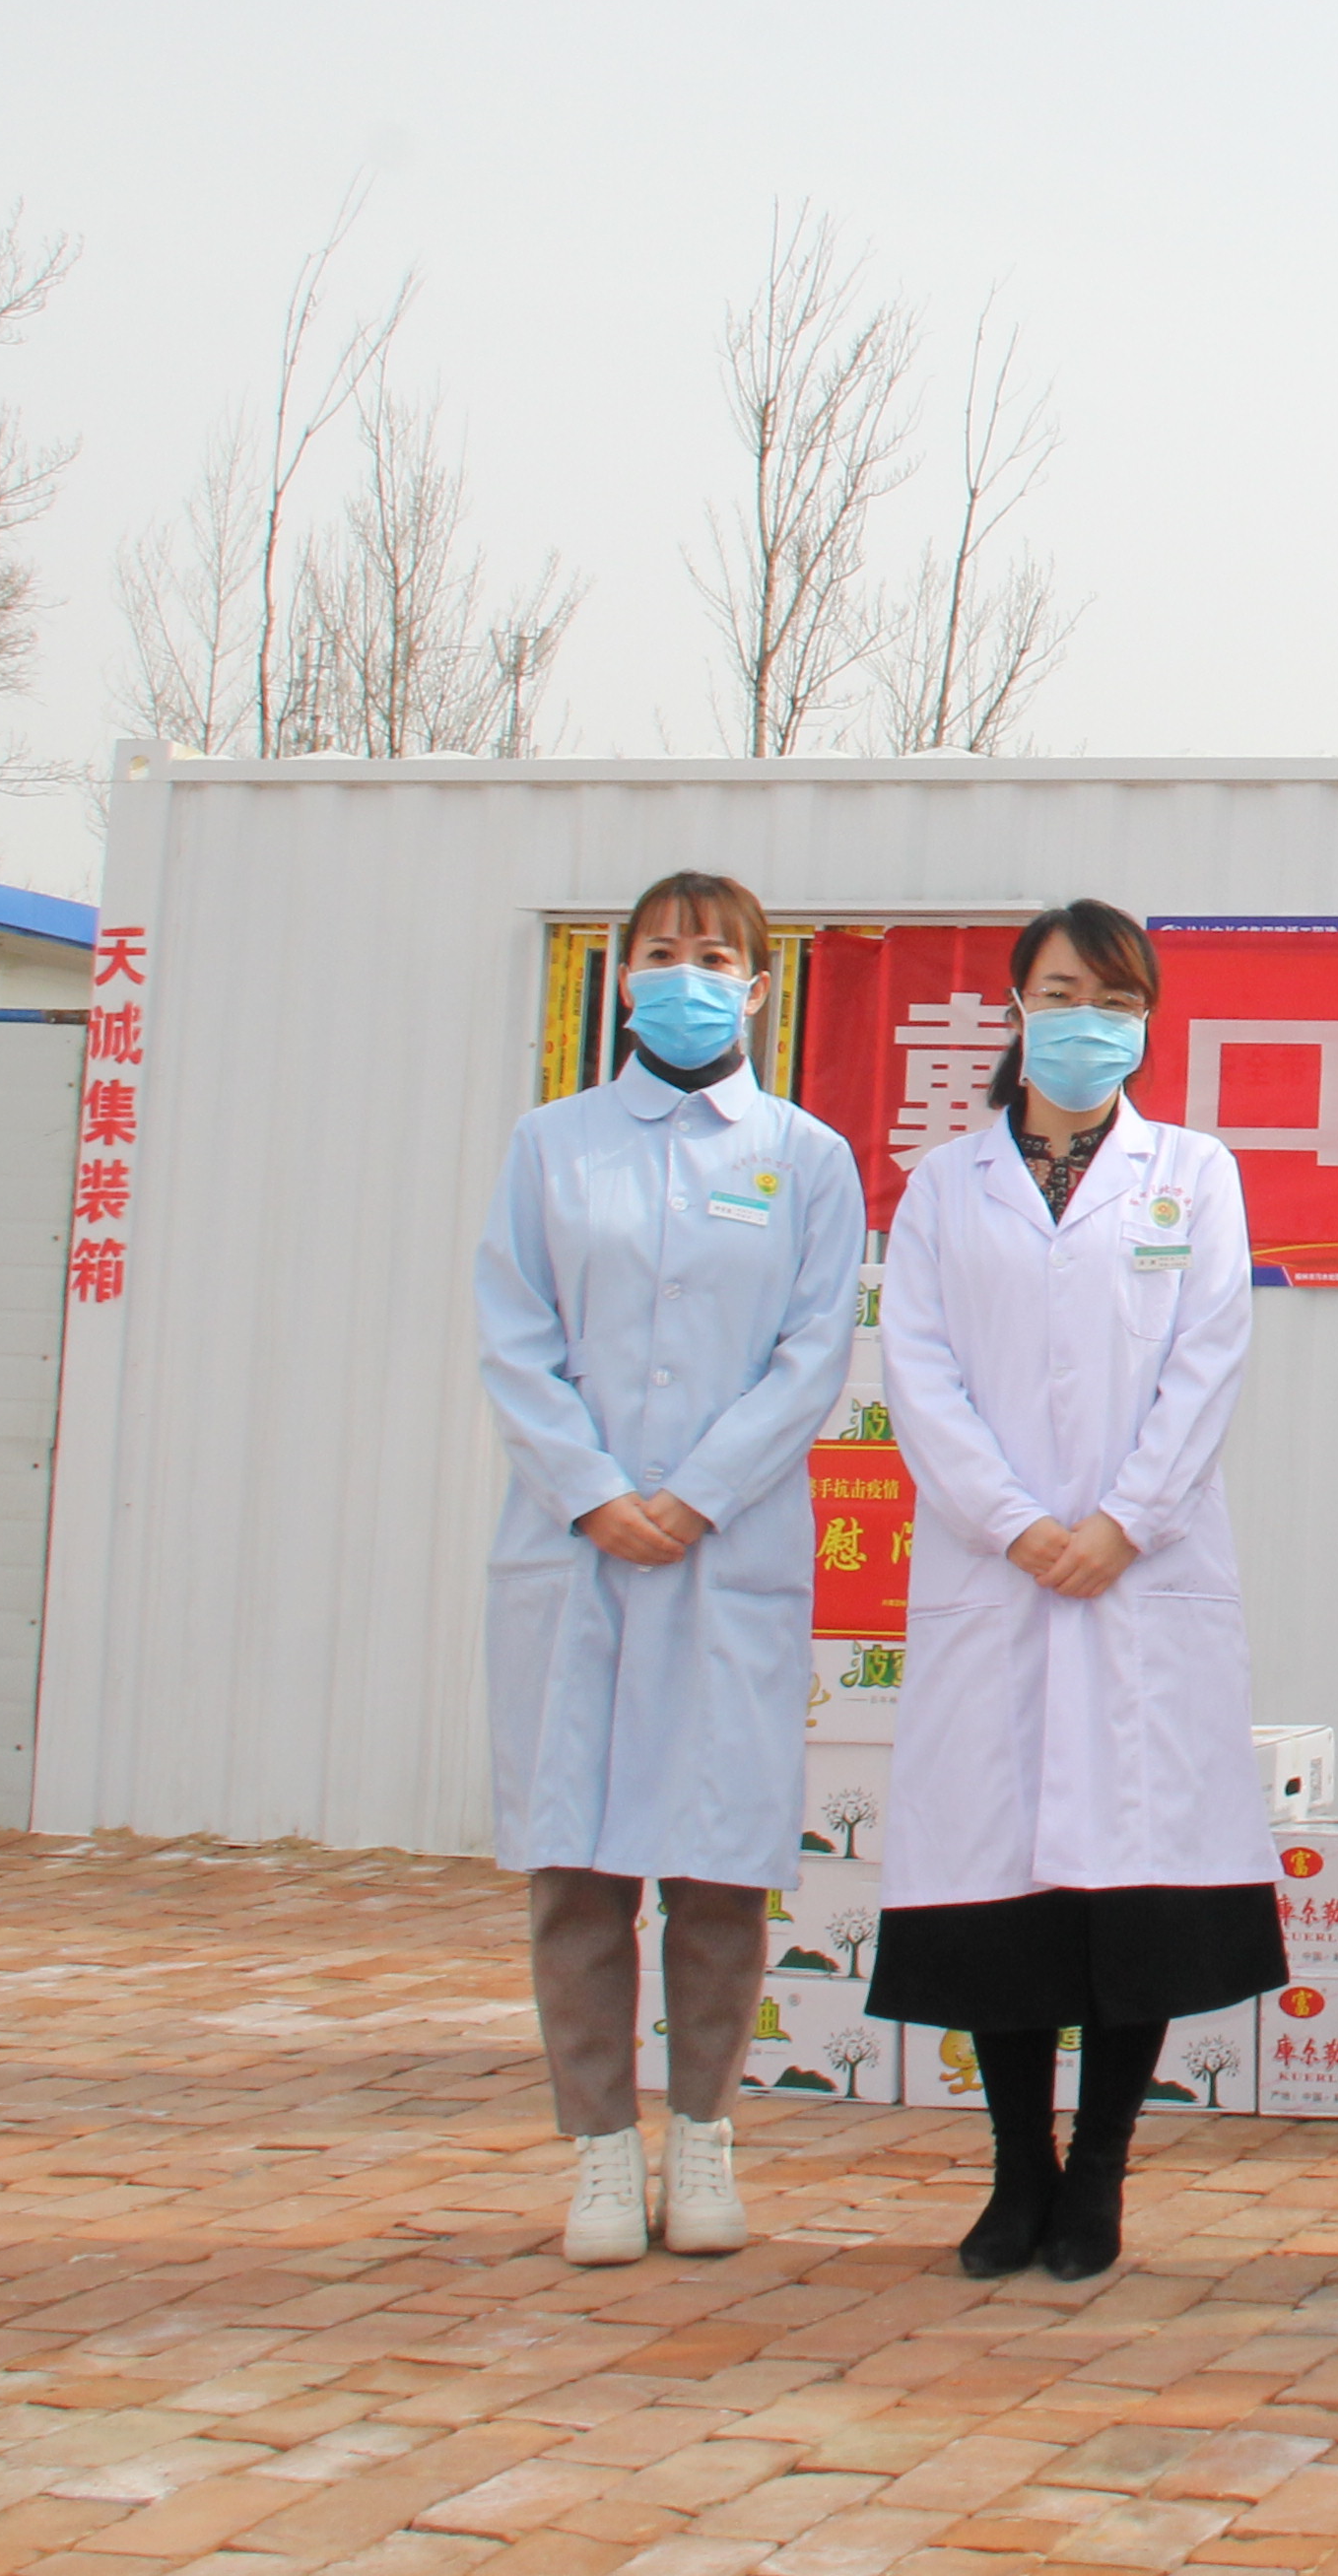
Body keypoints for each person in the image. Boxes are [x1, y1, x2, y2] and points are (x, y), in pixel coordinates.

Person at [866, 898, 1283, 2284]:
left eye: (1114, 998)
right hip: (996, 1576)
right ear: (1015, 1007)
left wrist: (1122, 1522)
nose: (1085, 1020)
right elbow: (919, 1370)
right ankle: (1017, 2173)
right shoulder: (946, 1185)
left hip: (1141, 1576)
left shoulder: (1194, 1174)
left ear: (1146, 1022)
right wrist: (1012, 1523)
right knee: (1003, 1895)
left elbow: (1209, 1360)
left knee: (1131, 1892)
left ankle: (1098, 2169)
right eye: (1060, 992)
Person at [473, 869, 868, 2266]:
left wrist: (695, 1497)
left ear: (757, 988)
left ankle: (702, 2134)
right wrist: (594, 1493)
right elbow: (515, 1337)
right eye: (660, 952)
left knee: (716, 1865)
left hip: (727, 1549)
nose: (686, 975)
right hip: (573, 1546)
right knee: (576, 1868)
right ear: (623, 978)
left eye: (714, 956)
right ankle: (597, 2151)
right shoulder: (553, 1144)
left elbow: (812, 1353)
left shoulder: (804, 1157)